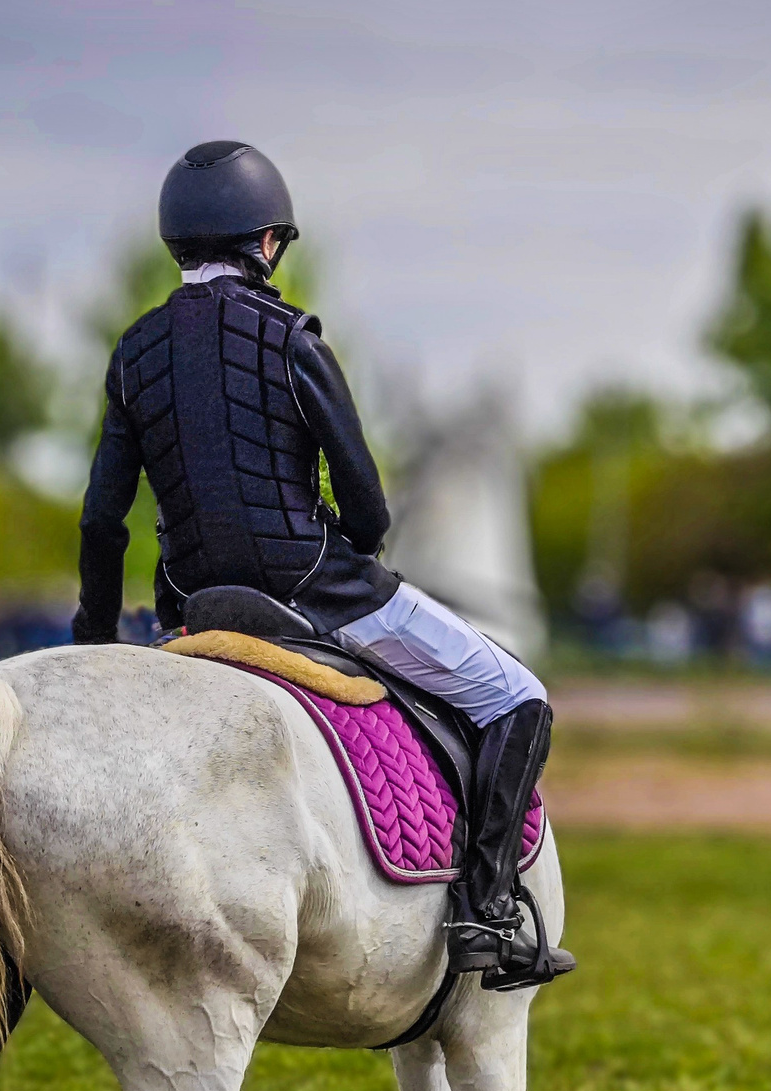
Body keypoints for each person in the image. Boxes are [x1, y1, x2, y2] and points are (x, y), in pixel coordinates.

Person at [74, 141, 571, 989]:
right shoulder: (293, 337)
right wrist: (350, 536)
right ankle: (487, 912)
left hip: (195, 604)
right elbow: (369, 507)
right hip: (320, 592)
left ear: (178, 246)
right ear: (268, 242)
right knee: (517, 696)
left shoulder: (134, 353)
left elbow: (102, 519)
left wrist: (93, 639)